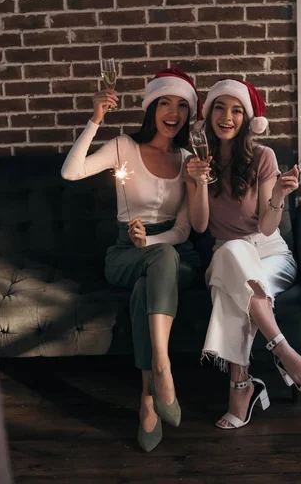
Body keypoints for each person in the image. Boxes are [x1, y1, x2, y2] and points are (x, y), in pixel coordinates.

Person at [61, 67, 202, 452]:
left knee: (156, 272)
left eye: (181, 106)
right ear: (152, 107)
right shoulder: (123, 146)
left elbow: (186, 230)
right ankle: (162, 370)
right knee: (156, 264)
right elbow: (71, 171)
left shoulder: (188, 158)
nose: (173, 112)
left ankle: (148, 394)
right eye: (165, 103)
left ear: (188, 115)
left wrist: (152, 240)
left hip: (174, 253)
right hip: (124, 253)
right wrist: (96, 119)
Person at [185, 78, 301, 430]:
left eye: (236, 110)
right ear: (208, 115)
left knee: (231, 293)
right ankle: (283, 350)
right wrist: (198, 182)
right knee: (232, 254)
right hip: (225, 254)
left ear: (247, 119)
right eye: (219, 107)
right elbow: (201, 226)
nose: (227, 117)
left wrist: (279, 192)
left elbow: (266, 227)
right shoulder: (194, 161)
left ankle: (242, 388)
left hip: (269, 252)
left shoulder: (264, 157)